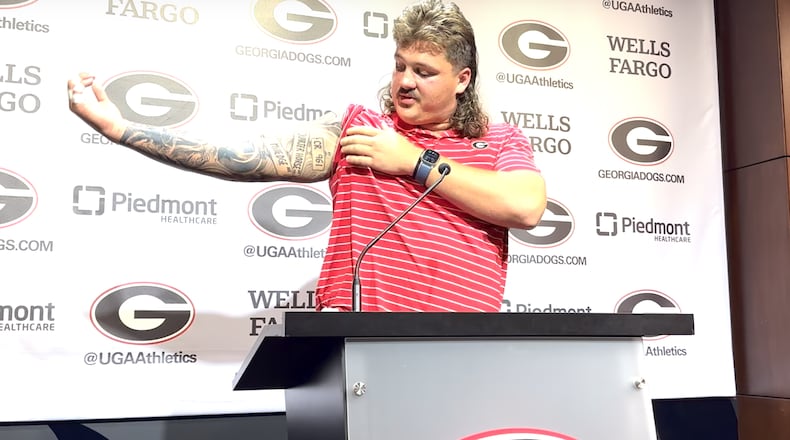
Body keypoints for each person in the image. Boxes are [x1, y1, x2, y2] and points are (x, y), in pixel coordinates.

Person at [66, 0, 546, 312]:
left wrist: (414, 162)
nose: (403, 82)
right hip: (356, 346)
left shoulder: (501, 140)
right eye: (399, 66)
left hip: (458, 349)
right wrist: (122, 128)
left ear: (462, 79)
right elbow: (240, 157)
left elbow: (524, 208)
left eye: (423, 71)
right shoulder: (362, 130)